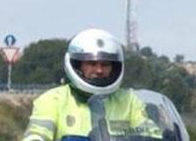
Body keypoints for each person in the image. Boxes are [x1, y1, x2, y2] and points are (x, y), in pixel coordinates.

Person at [22, 28, 159, 141]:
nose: (99, 70)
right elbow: (37, 133)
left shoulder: (128, 101)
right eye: (92, 64)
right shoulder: (53, 100)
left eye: (105, 64)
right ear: (77, 65)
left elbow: (152, 134)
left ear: (114, 67)